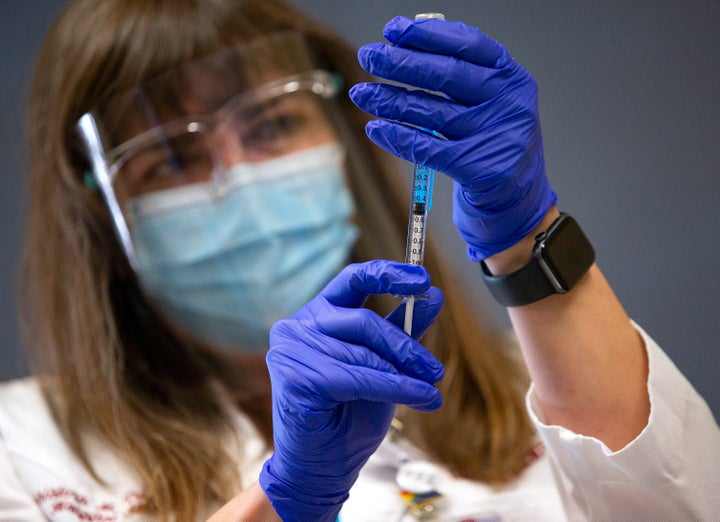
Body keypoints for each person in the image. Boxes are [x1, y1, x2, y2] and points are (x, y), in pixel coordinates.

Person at [0, 0, 717, 521]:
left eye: (273, 124)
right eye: (171, 156)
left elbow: (677, 505)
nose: (238, 177)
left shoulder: (543, 384)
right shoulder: (20, 448)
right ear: (99, 216)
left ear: (347, 140)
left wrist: (528, 238)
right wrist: (289, 498)